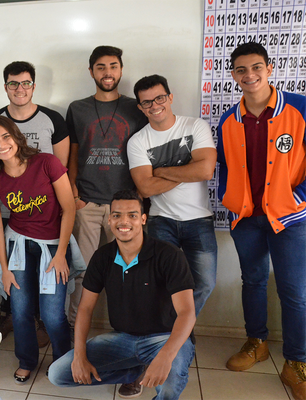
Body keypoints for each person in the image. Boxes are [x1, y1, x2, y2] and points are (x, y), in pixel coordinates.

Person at [217, 42, 306, 400]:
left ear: (269, 68)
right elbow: (224, 167)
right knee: (252, 281)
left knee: (295, 293)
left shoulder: (299, 108)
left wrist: (298, 198)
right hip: (248, 219)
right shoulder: (228, 119)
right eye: (241, 69)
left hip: (289, 218)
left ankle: (297, 361)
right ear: (233, 75)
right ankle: (257, 342)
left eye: (256, 67)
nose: (249, 75)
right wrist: (233, 202)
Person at [48, 190, 196, 400]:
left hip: (164, 338)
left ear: (143, 220)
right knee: (59, 374)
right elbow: (85, 308)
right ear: (109, 220)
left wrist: (165, 356)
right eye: (117, 215)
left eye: (132, 215)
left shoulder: (169, 255)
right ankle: (133, 372)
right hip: (123, 340)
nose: (123, 221)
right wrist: (79, 355)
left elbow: (187, 312)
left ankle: (155, 372)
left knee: (170, 383)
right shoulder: (102, 257)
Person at [0, 115, 84, 384]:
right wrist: (4, 269)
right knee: (20, 310)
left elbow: (68, 208)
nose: (1, 145)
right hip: (18, 247)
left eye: (5, 137)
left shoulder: (46, 163)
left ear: (16, 137)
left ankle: (64, 361)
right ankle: (26, 360)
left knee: (52, 314)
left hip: (52, 247)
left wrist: (61, 253)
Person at [66, 46, 148, 352]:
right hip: (86, 203)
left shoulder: (134, 108)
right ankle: (76, 339)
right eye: (100, 67)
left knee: (132, 275)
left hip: (124, 207)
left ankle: (130, 338)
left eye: (113, 66)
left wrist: (138, 200)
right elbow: (73, 152)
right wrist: (74, 193)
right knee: (82, 275)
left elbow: (144, 153)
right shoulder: (78, 108)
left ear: (121, 70)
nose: (107, 72)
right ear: (91, 72)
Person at [0, 60, 70, 346]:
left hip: (48, 215)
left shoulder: (52, 119)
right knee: (18, 288)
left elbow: (62, 167)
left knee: (49, 291)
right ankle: (22, 326)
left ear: (34, 86)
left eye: (25, 83)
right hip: (10, 215)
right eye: (13, 83)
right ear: (5, 87)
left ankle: (48, 328)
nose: (20, 89)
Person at [127, 74, 218, 318]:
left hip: (199, 219)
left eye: (159, 98)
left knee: (205, 283)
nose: (155, 106)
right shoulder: (137, 141)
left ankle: (175, 330)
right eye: (147, 102)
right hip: (161, 220)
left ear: (170, 97)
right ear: (140, 107)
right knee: (159, 283)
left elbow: (205, 170)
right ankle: (167, 333)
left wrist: (161, 171)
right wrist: (187, 169)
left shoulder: (194, 126)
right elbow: (145, 188)